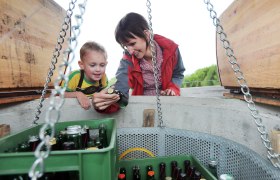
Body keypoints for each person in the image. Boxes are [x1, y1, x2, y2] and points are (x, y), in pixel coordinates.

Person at [92, 12, 185, 113]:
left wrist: (173, 88)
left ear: (147, 34)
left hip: (168, 104)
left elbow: (178, 73)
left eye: (132, 43)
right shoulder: (128, 60)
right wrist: (103, 103)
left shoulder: (171, 49)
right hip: (142, 108)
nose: (130, 50)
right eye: (126, 46)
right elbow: (121, 86)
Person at [61, 41, 120, 111]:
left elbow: (103, 92)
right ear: (81, 65)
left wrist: (112, 91)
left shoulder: (103, 77)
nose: (98, 69)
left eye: (102, 65)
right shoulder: (74, 76)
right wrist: (78, 94)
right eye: (93, 65)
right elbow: (60, 94)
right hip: (73, 110)